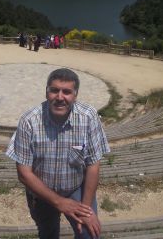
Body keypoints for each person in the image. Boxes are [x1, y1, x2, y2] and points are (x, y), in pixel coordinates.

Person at [6, 68, 110, 239]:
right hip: (41, 193)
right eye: (54, 90)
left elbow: (93, 164)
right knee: (48, 233)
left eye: (67, 92)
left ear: (75, 95)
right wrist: (60, 203)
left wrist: (85, 210)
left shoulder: (88, 116)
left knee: (88, 233)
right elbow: (24, 174)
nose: (60, 97)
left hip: (75, 187)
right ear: (46, 92)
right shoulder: (29, 121)